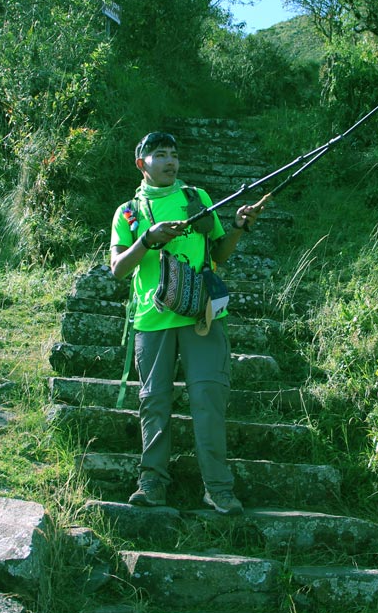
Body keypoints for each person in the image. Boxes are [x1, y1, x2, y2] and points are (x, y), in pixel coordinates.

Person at [109, 131, 264, 515]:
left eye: (174, 155)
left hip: (204, 316)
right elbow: (117, 268)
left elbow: (219, 254)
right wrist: (147, 238)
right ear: (141, 163)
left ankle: (218, 489)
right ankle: (152, 483)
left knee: (208, 400)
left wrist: (240, 226)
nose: (170, 161)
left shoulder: (197, 198)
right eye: (160, 154)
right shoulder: (128, 212)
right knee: (154, 402)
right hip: (153, 319)